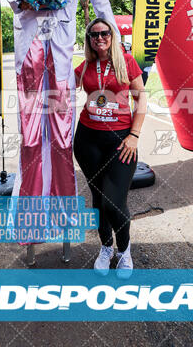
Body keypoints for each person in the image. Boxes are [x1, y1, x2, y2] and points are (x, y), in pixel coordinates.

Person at [0, 0, 119, 208]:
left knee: (61, 118)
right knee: (32, 119)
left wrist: (115, 43)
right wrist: (18, 5)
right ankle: (31, 199)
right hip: (31, 36)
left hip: (63, 43)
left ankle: (61, 201)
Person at [74, 18, 146, 278]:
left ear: (112, 36)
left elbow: (141, 98)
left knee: (113, 202)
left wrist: (135, 135)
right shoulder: (86, 65)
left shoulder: (126, 62)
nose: (99, 38)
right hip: (87, 139)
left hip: (121, 141)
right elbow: (65, 83)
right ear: (89, 40)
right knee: (97, 199)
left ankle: (124, 250)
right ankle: (106, 247)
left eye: (104, 33)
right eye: (94, 35)